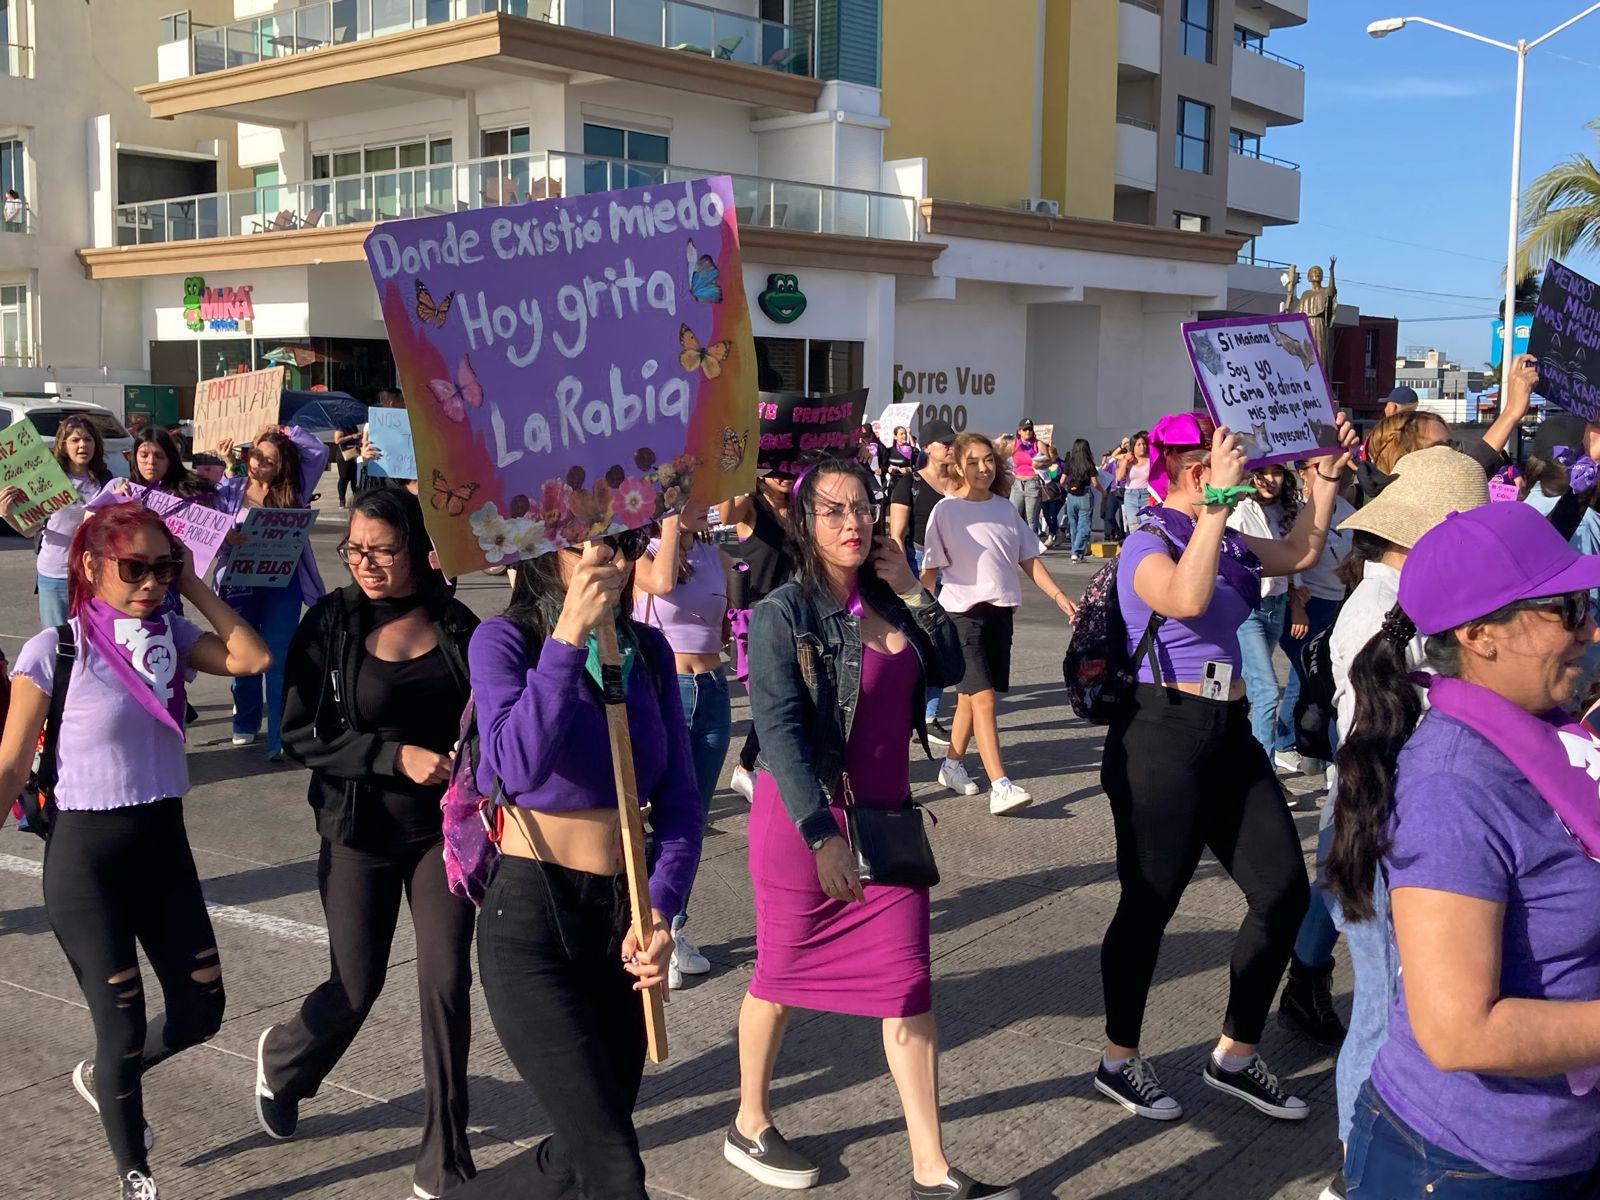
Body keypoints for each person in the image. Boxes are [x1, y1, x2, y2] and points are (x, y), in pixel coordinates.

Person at [731, 455, 1017, 1200]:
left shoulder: (891, 601)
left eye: (862, 506)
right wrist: (819, 834)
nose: (853, 522)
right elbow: (781, 730)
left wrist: (915, 589)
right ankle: (749, 1119)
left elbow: (954, 667)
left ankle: (931, 1168)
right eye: (833, 510)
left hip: (886, 827)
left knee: (907, 987)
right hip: (806, 825)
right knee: (778, 977)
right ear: (803, 522)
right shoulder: (781, 615)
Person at [1327, 502, 1600, 1196]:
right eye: (1567, 608)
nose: (1591, 626)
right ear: (1481, 635)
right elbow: (1458, 1032)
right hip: (1465, 1167)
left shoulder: (1549, 737)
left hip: (1563, 1142)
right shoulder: (1453, 786)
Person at [1094, 409, 1358, 1125]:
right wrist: (1213, 505)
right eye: (1224, 458)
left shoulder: (1230, 535)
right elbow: (1184, 597)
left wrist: (1324, 485)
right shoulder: (1146, 538)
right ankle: (1118, 1059)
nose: (1247, 468)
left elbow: (1303, 552)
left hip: (1229, 729)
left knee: (1280, 894)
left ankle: (1234, 1055)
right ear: (1192, 467)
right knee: (1150, 902)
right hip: (1162, 734)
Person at [0, 502, 269, 1200]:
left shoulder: (173, 634)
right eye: (134, 567)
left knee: (201, 1011)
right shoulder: (55, 649)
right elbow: (7, 764)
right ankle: (134, 1173)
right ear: (90, 566)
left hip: (163, 851)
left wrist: (194, 583)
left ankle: (107, 1075)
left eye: (162, 567)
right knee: (118, 1023)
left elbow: (251, 657)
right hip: (85, 861)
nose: (150, 582)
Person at [453, 532, 701, 1199]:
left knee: (584, 1150)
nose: (614, 562)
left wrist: (660, 905)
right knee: (615, 1169)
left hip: (621, 921)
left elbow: (679, 801)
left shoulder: (647, 650)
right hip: (532, 921)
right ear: (543, 552)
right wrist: (566, 638)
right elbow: (516, 765)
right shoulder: (506, 642)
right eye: (589, 545)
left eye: (622, 543)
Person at [264, 488, 479, 1199]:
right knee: (356, 985)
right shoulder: (329, 625)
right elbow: (301, 734)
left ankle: (444, 1159)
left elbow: (493, 716)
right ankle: (286, 1064)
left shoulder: (457, 625)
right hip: (358, 830)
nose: (366, 564)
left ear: (418, 550)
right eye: (354, 549)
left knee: (446, 983)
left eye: (382, 550)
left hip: (439, 837)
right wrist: (393, 757)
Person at [1300, 447, 1488, 1200]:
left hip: (1374, 818)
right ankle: (1356, 1164)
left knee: (1389, 999)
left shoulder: (1398, 601)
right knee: (1381, 1005)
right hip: (1383, 822)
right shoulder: (1390, 613)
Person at [920, 432, 1076, 815]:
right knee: (984, 698)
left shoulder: (1005, 509)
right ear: (957, 465)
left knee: (972, 701)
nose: (983, 468)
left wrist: (1060, 597)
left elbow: (1029, 560)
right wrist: (915, 618)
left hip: (1000, 616)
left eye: (988, 460)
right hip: (961, 615)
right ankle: (1000, 785)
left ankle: (952, 766)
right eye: (972, 461)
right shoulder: (945, 511)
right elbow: (929, 571)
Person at [633, 505, 734, 990]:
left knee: (693, 814)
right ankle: (649, 926)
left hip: (713, 686)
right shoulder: (641, 551)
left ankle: (673, 924)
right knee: (660, 812)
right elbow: (661, 585)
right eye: (691, 498)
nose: (707, 506)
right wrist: (670, 523)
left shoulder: (715, 554)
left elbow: (721, 622)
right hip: (668, 686)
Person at [214, 426, 328, 760]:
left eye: (270, 460)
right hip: (239, 584)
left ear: (282, 466)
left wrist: (283, 428)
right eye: (256, 455)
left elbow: (318, 451)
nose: (259, 463)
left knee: (278, 657)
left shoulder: (295, 489)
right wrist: (227, 537)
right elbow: (213, 526)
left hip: (283, 583)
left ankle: (279, 737)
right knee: (244, 655)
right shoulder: (231, 485)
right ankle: (245, 720)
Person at [1274, 459, 1354, 775]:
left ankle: (1314, 746)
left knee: (1321, 678)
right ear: (1304, 472)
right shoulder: (1298, 511)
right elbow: (1290, 557)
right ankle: (1285, 743)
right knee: (1302, 676)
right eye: (1318, 466)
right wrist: (1295, 603)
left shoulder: (1347, 510)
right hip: (1305, 606)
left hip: (1336, 603)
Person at [721, 474, 797, 801]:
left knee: (791, 692)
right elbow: (725, 516)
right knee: (771, 697)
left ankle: (749, 765)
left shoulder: (800, 504)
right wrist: (738, 466)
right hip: (758, 613)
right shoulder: (751, 505)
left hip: (795, 609)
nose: (783, 476)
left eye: (788, 468)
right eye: (774, 469)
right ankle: (745, 767)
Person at [0, 415, 115, 626]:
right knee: (59, 645)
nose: (82, 445)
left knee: (93, 643)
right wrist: (7, 513)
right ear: (62, 445)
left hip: (94, 576)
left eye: (88, 440)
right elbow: (29, 530)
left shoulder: (106, 479)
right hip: (55, 576)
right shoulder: (48, 479)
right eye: (75, 440)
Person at [889, 417, 960, 746]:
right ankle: (909, 710)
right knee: (921, 639)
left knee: (945, 641)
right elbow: (896, 534)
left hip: (957, 568)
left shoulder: (960, 482)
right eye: (944, 442)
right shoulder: (909, 484)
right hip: (920, 565)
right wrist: (902, 575)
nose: (949, 447)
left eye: (952, 442)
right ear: (927, 447)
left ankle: (930, 715)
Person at [1227, 463, 1299, 760]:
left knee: (1251, 689)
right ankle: (1265, 773)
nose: (1270, 479)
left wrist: (1296, 593)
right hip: (1248, 609)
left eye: (1278, 473)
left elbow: (1297, 556)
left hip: (1277, 606)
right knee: (1268, 691)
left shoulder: (1289, 512)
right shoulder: (1239, 511)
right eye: (1263, 472)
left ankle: (1240, 761)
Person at [1062, 439, 1100, 563]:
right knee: (1084, 526)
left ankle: (1077, 554)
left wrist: (1068, 488)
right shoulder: (1089, 464)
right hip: (1084, 495)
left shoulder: (1069, 463)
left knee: (1073, 524)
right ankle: (1076, 551)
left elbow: (1062, 481)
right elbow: (1095, 483)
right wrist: (1103, 492)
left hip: (1071, 496)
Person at [1008, 419, 1041, 532]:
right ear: (1019, 431)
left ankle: (1031, 547)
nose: (1028, 432)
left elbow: (1050, 461)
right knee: (1013, 516)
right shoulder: (1014, 444)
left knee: (1031, 519)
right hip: (1017, 483)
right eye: (1025, 429)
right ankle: (1014, 543)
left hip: (1032, 483)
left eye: (1030, 429)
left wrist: (1040, 463)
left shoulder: (1037, 444)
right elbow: (1001, 455)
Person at [1117, 431, 1152, 532]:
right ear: (1133, 447)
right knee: (1134, 528)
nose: (1142, 447)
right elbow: (1119, 477)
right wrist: (1125, 461)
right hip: (1131, 496)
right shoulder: (1128, 460)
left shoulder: (1151, 459)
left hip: (1147, 495)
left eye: (1144, 444)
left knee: (1147, 526)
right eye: (1139, 444)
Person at [1035, 441, 1065, 549]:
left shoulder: (1061, 464)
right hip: (1044, 493)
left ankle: (1051, 535)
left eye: (1050, 456)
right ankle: (1057, 532)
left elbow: (1064, 478)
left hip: (1057, 493)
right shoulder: (1041, 465)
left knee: (1052, 514)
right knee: (1046, 515)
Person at [1101, 439, 1130, 542]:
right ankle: (1117, 531)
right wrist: (1121, 446)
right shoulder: (1113, 463)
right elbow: (1110, 459)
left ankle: (1123, 537)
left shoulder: (1128, 462)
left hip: (1124, 491)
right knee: (1108, 515)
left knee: (1123, 518)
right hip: (1113, 491)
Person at [334, 424, 363, 507]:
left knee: (355, 478)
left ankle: (356, 499)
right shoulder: (341, 426)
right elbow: (337, 440)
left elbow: (357, 438)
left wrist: (360, 438)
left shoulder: (354, 426)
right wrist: (352, 436)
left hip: (354, 453)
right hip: (344, 454)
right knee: (344, 477)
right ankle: (342, 500)